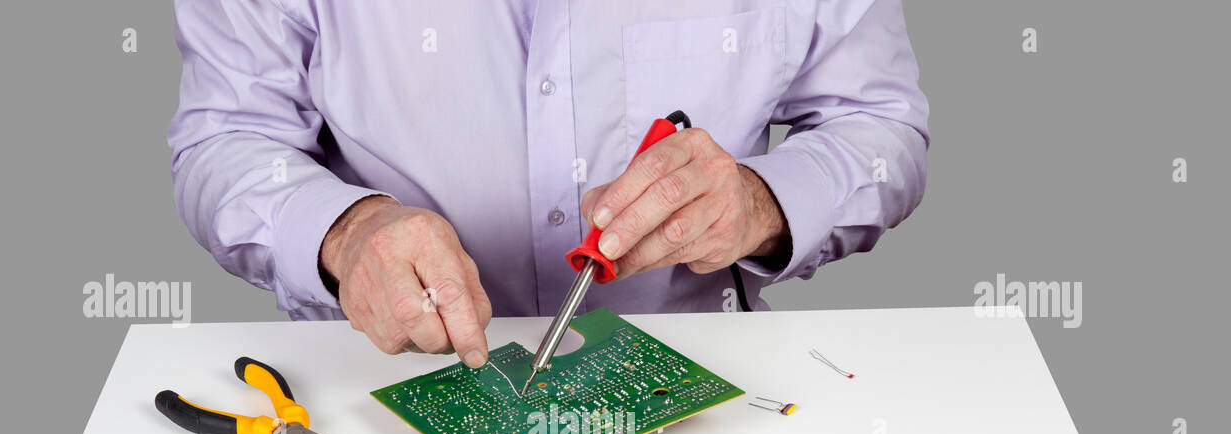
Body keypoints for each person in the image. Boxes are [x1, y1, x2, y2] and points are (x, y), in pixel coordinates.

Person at [168, 1, 928, 369]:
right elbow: (226, 137)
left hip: (693, 390)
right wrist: (347, 231)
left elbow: (878, 125)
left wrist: (758, 205)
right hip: (380, 383)